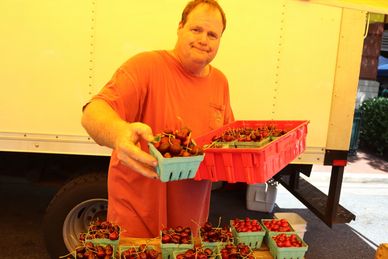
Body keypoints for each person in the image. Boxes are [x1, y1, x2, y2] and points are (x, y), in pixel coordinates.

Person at [81, 0, 234, 238]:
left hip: (189, 224)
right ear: (180, 27)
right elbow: (93, 112)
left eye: (212, 34)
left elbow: (224, 142)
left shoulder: (220, 82)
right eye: (196, 29)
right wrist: (119, 133)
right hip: (136, 219)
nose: (204, 40)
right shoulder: (146, 66)